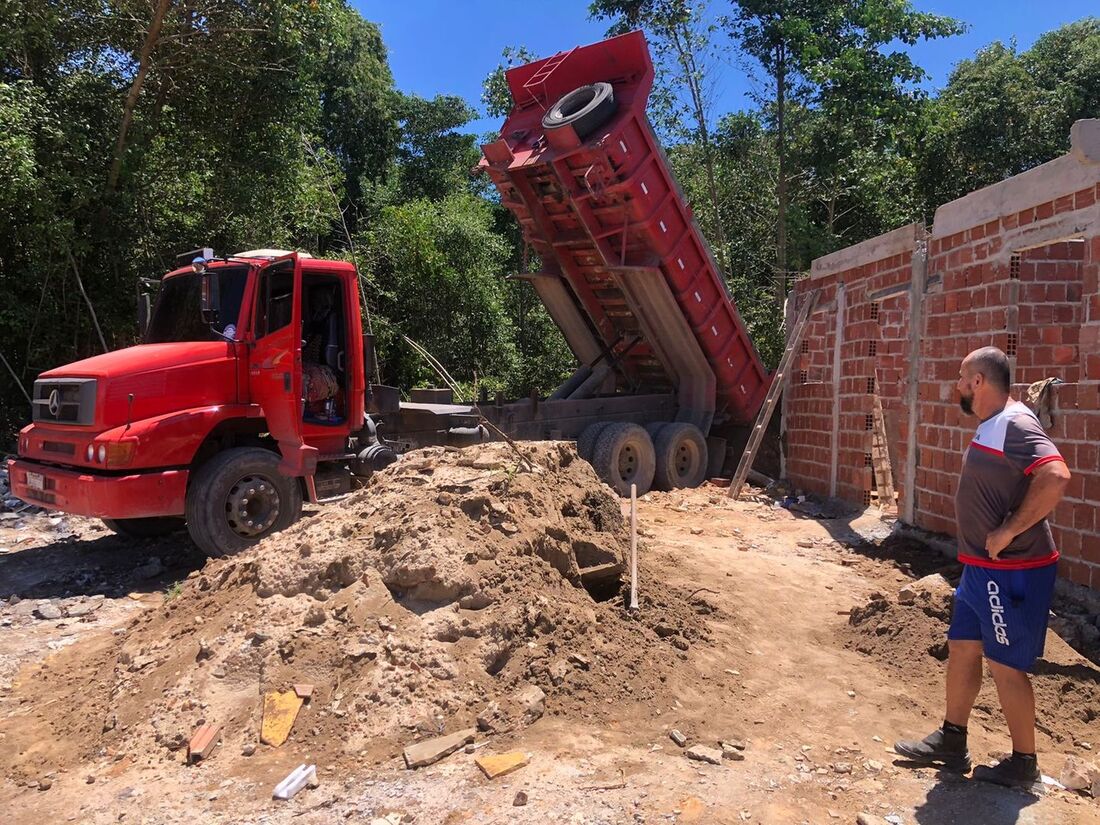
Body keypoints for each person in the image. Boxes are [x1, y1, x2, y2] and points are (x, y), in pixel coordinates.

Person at [894, 346, 1071, 790]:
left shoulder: (1014, 423)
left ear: (979, 383)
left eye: (961, 377)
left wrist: (1010, 529)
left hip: (1013, 570)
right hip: (980, 569)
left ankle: (1024, 762)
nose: (956, 386)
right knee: (963, 648)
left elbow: (1056, 475)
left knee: (1006, 664)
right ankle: (952, 741)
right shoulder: (994, 424)